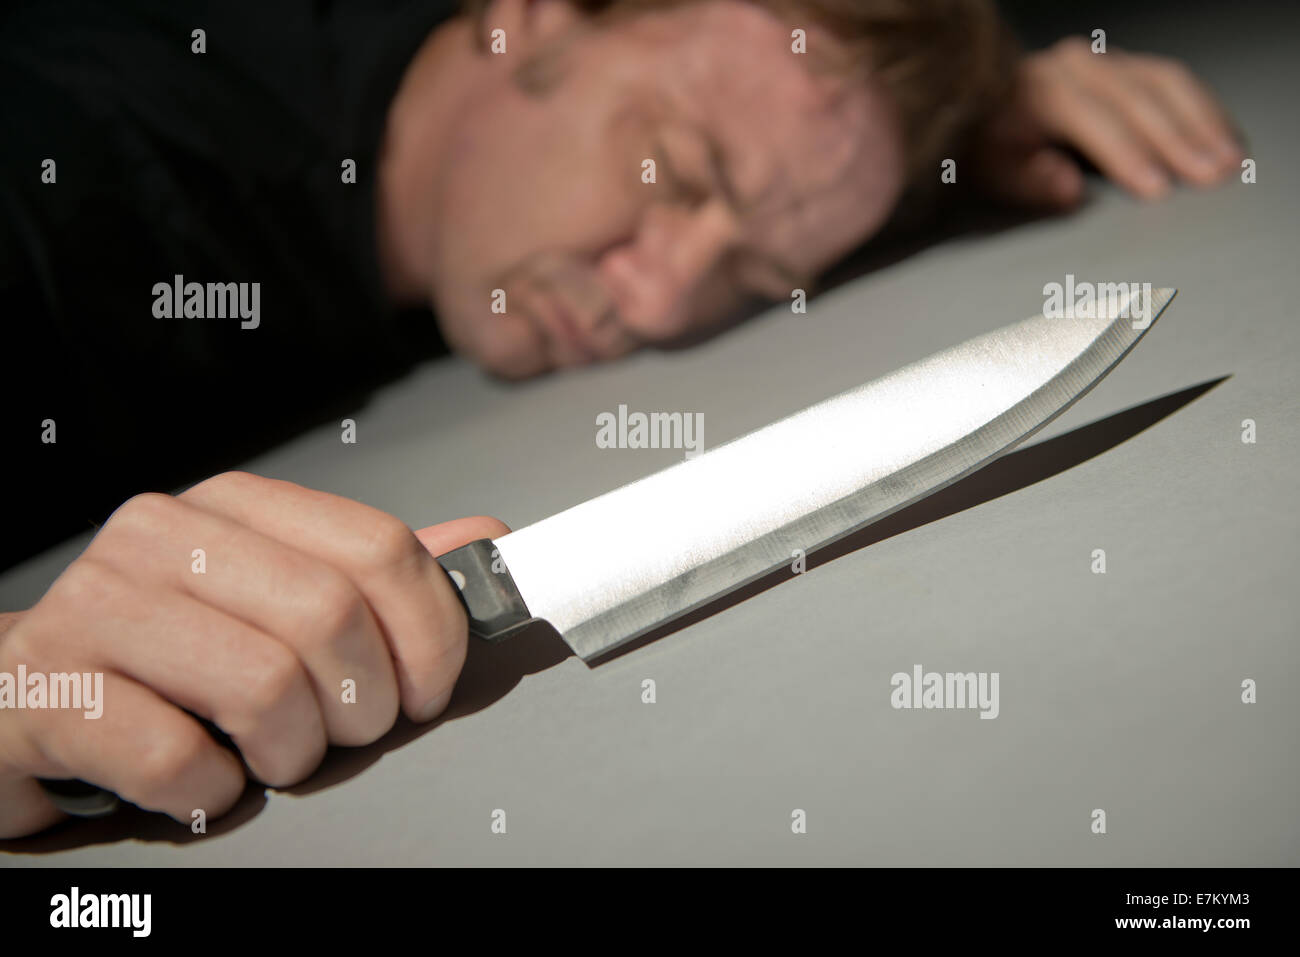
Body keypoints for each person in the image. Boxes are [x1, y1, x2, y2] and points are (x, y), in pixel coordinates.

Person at [0, 0, 1242, 837]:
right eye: (682, 172)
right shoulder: (71, 169)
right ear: (531, 18)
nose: (661, 297)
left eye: (754, 276)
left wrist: (959, 106)